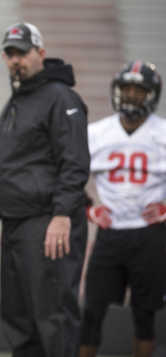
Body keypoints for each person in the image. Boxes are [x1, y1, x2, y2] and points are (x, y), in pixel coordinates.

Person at [0, 22, 90, 357]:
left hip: (48, 223)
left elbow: (75, 161)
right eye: (9, 53)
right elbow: (8, 163)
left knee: (52, 317)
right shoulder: (19, 99)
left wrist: (62, 214)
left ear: (41, 52)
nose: (14, 60)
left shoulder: (60, 97)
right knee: (19, 319)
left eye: (21, 52)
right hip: (16, 222)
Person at [79, 61, 166, 357]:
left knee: (145, 316)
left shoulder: (163, 133)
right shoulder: (96, 133)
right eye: (125, 88)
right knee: (91, 312)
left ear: (151, 94)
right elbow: (69, 178)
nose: (130, 95)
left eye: (138, 90)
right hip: (110, 234)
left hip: (150, 235)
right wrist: (90, 211)